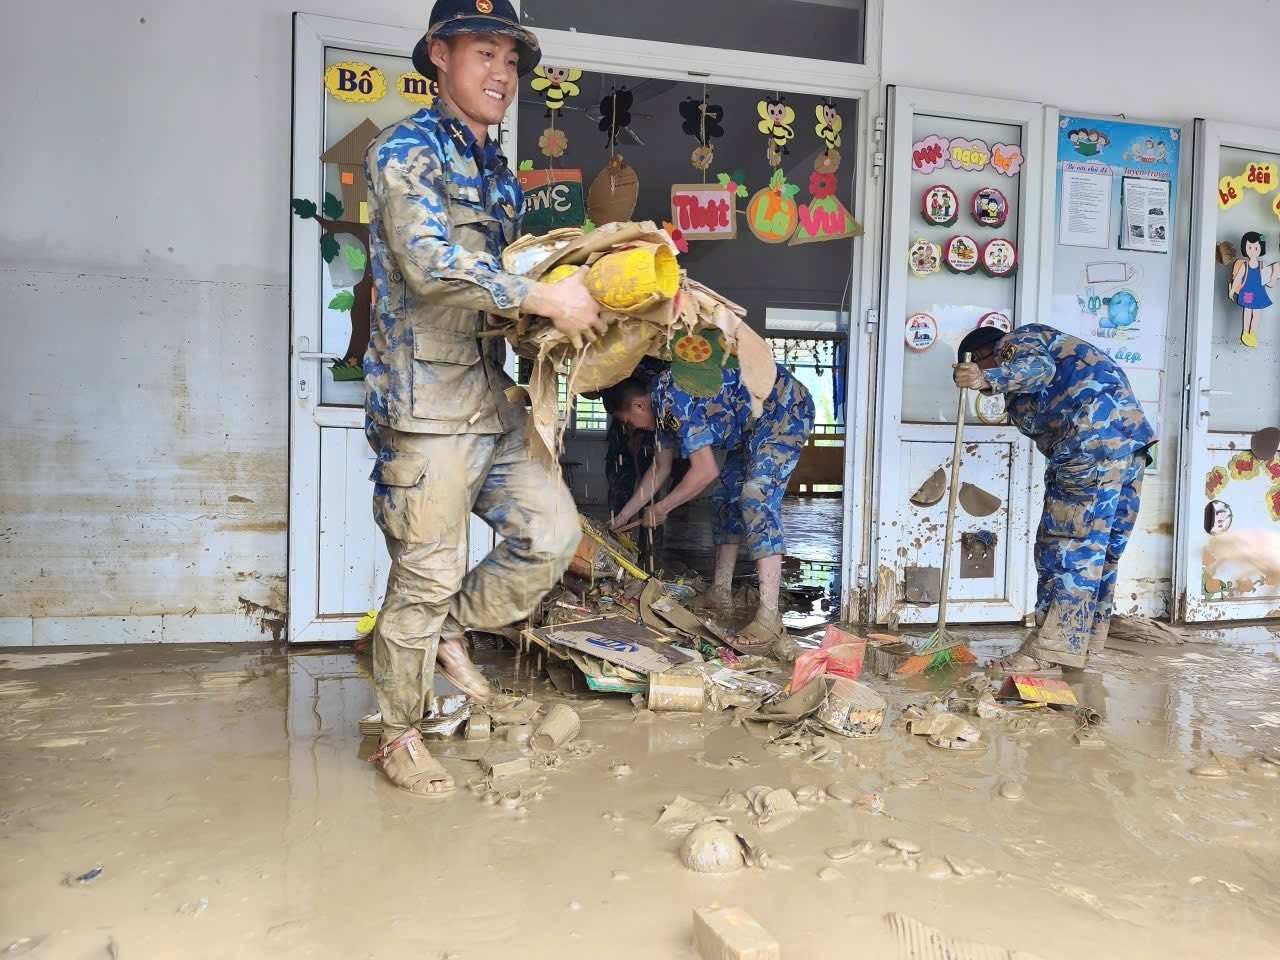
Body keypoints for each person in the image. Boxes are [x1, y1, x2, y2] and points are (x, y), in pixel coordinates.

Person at [362, 0, 607, 797]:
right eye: (484, 54)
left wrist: (572, 309)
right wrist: (542, 298)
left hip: (491, 400)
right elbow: (430, 264)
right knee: (424, 574)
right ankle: (398, 735)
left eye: (510, 59)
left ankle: (446, 634)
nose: (502, 73)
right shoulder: (406, 150)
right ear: (440, 55)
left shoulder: (499, 172)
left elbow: (503, 288)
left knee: (552, 535)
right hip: (426, 408)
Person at [952, 323, 1154, 675]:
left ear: (983, 354)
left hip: (1088, 451)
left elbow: (1037, 369)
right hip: (1125, 449)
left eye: (976, 367)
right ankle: (1077, 645)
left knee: (1063, 550)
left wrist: (986, 378)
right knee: (1098, 553)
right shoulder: (1051, 350)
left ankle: (1047, 652)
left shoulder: (1015, 342)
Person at [604, 363, 815, 659]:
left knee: (755, 496)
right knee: (726, 499)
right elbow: (660, 469)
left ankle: (769, 618)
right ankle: (720, 592)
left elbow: (704, 471)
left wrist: (663, 507)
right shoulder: (661, 413)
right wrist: (624, 516)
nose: (634, 428)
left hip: (784, 409)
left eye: (629, 421)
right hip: (750, 428)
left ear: (639, 405)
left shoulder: (672, 397)